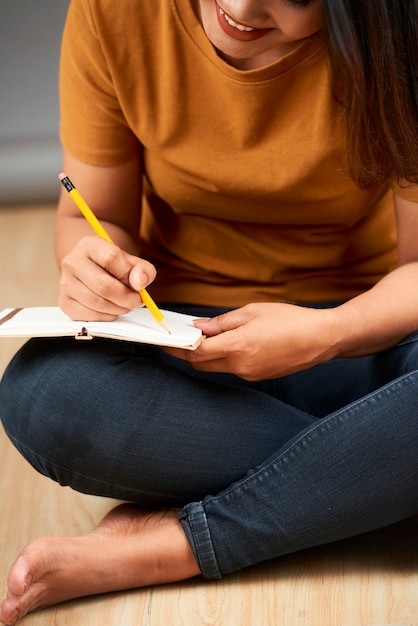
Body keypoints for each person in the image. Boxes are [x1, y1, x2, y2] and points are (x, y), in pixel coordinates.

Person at [0, 0, 417, 622]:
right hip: (183, 339)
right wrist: (94, 263)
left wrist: (328, 333)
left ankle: (175, 545)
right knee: (44, 395)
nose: (243, 7)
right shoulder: (115, 13)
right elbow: (96, 215)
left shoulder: (403, 32)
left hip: (365, 327)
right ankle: (372, 474)